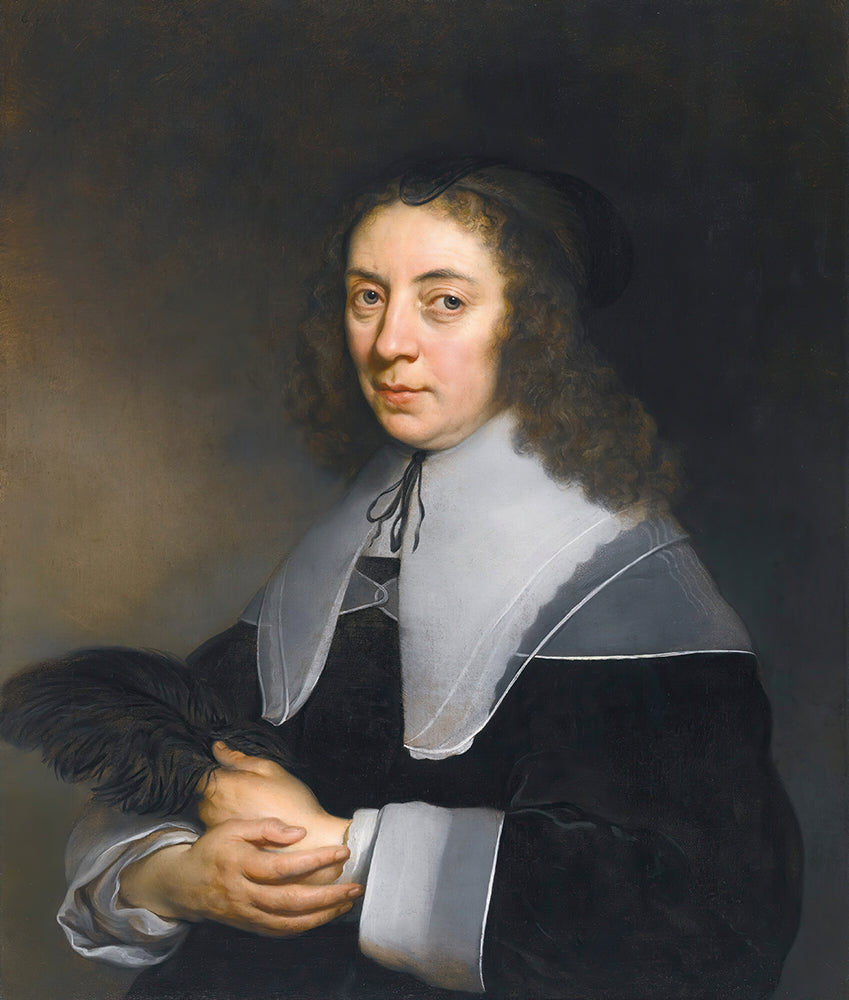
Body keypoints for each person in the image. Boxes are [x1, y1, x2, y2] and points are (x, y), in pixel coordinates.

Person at [57, 160, 802, 999]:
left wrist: (349, 853)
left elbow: (704, 923)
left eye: (444, 301)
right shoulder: (345, 540)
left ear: (533, 326)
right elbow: (172, 779)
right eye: (367, 297)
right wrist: (173, 878)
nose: (389, 343)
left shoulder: (621, 576)